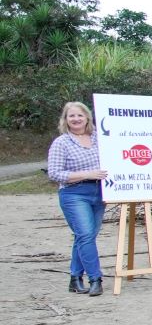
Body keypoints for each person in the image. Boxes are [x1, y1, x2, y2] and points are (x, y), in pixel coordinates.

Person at [47, 101, 107, 296]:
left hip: (99, 193)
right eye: (71, 116)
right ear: (65, 120)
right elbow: (54, 173)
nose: (76, 119)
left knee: (85, 236)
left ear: (87, 118)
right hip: (74, 193)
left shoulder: (99, 138)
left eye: (80, 115)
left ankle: (74, 278)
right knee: (86, 235)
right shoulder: (61, 142)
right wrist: (87, 174)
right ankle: (95, 278)